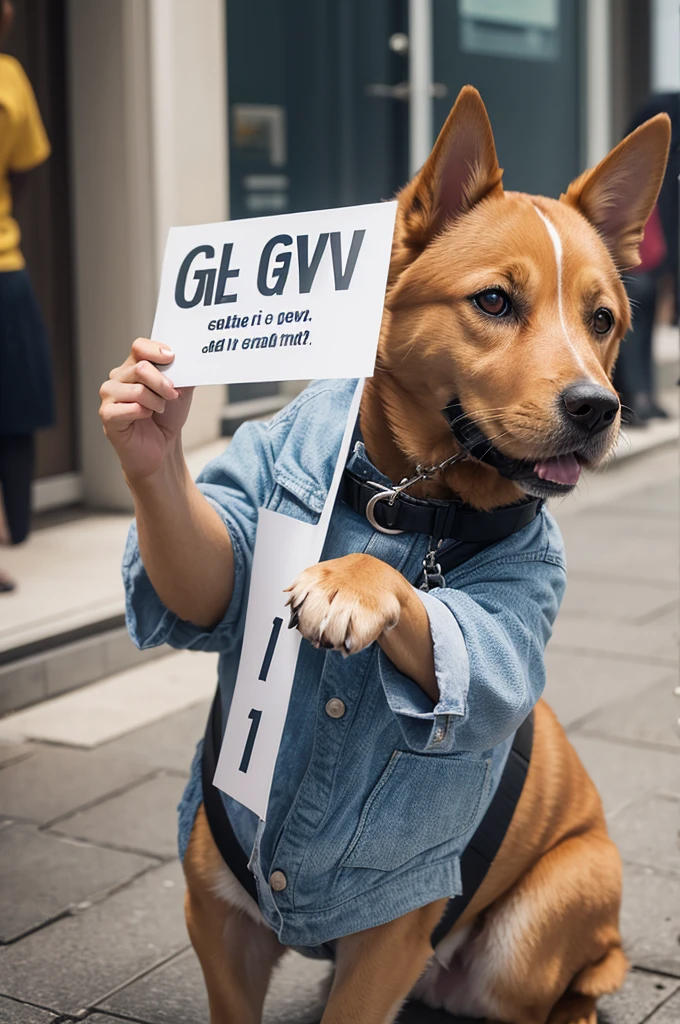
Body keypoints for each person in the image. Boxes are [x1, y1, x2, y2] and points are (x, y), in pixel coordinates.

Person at [0, 0, 54, 591]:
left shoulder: (10, 76)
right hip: (3, 263)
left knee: (14, 404)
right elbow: (26, 168)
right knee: (14, 407)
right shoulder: (8, 77)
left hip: (4, 263)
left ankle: (11, 529)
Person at [614, 92, 679, 425]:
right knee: (633, 319)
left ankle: (646, 397)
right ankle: (634, 398)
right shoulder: (662, 112)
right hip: (636, 249)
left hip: (653, 252)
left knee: (645, 316)